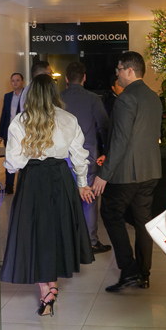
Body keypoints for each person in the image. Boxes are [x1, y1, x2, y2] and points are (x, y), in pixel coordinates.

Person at [0, 74, 95, 316]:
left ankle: (46, 290)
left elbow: (13, 164)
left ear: (30, 94)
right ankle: (52, 286)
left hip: (33, 180)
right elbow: (79, 156)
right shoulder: (68, 118)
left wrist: (22, 157)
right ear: (54, 93)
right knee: (55, 231)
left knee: (36, 232)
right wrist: (82, 183)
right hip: (61, 178)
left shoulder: (21, 121)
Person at [92, 51, 162, 291]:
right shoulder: (154, 97)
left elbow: (120, 141)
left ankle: (129, 271)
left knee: (110, 213)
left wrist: (104, 174)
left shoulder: (125, 99)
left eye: (119, 69)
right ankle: (144, 274)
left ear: (130, 71)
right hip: (150, 170)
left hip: (126, 173)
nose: (117, 74)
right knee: (143, 222)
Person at [60, 62, 112, 254]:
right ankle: (90, 241)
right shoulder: (92, 99)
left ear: (66, 78)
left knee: (65, 199)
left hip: (61, 156)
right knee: (89, 199)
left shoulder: (57, 98)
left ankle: (67, 241)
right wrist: (106, 151)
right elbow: (104, 126)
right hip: (87, 155)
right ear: (84, 77)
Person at [0, 72, 25, 194]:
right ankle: (9, 186)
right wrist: (0, 134)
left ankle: (22, 186)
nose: (15, 83)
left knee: (23, 157)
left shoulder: (26, 95)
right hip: (9, 132)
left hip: (22, 132)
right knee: (9, 158)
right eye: (13, 80)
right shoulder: (8, 96)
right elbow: (4, 115)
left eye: (17, 80)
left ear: (22, 82)